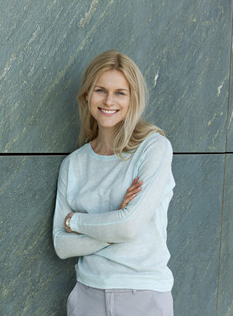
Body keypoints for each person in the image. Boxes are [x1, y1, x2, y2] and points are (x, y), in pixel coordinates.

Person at [52, 50, 175, 316]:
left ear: (133, 99)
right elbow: (62, 246)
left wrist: (76, 222)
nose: (109, 100)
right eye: (100, 90)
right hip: (87, 296)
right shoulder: (74, 164)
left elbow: (128, 227)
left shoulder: (154, 148)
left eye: (120, 92)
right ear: (87, 95)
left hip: (143, 295)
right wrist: (113, 225)